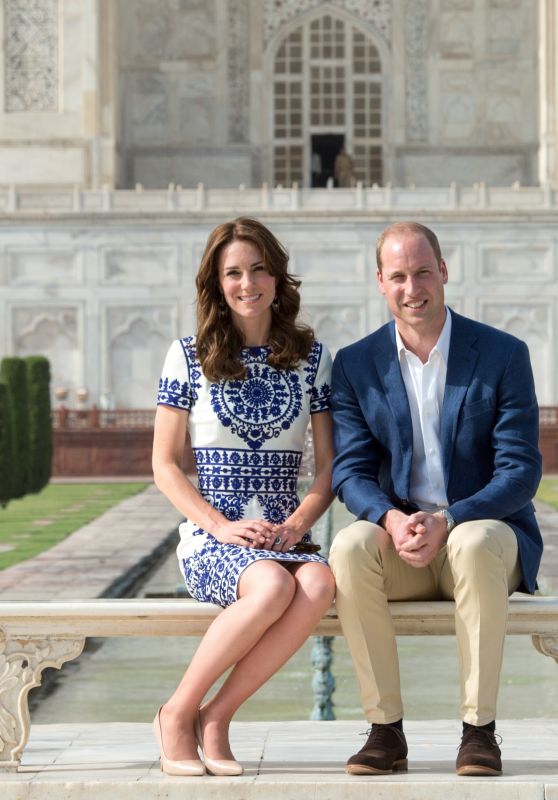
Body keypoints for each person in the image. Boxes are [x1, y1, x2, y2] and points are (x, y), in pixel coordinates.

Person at [329, 221, 542, 777]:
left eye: (422, 272)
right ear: (380, 282)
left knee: (471, 541)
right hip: (405, 545)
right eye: (398, 275)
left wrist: (450, 519)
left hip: (483, 538)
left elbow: (521, 472)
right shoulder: (356, 365)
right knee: (350, 546)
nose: (412, 287)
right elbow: (349, 473)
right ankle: (385, 730)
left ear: (443, 272)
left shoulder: (501, 354)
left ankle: (478, 732)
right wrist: (392, 520)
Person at [152, 217, 335, 777]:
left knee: (320, 582)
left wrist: (301, 524)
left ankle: (218, 716)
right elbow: (164, 465)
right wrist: (220, 527)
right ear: (217, 282)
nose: (247, 283)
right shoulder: (188, 356)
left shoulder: (311, 358)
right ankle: (177, 712)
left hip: (282, 534)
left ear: (278, 279)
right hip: (215, 537)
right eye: (233, 272)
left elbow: (329, 467)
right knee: (273, 582)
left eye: (258, 269)